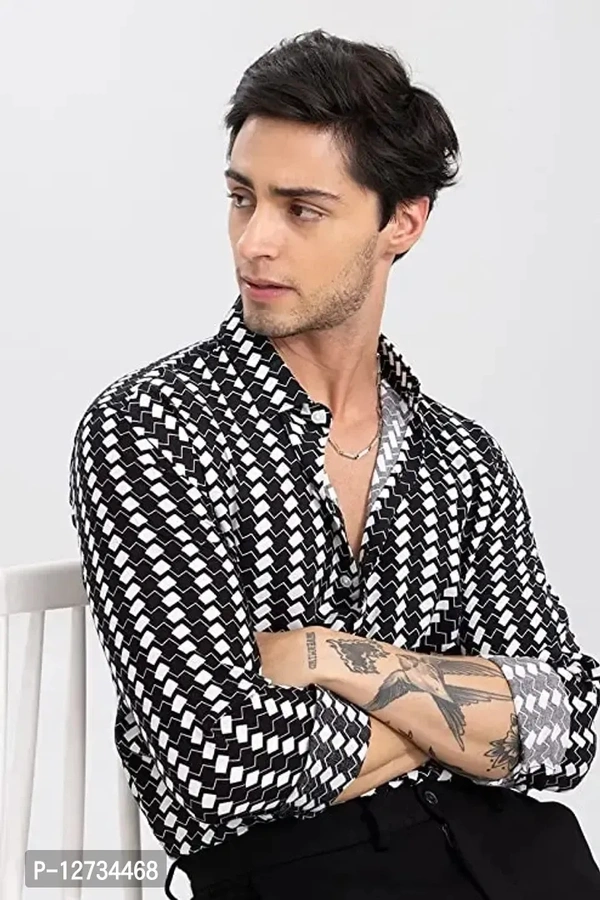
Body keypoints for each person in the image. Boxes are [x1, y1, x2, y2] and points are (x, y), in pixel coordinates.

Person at [68, 29, 600, 900]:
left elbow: (567, 726)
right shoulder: (156, 431)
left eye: (302, 209)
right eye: (242, 199)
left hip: (525, 861)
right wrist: (461, 724)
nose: (254, 242)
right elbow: (220, 770)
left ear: (403, 221)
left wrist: (329, 655)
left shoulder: (460, 459)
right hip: (304, 876)